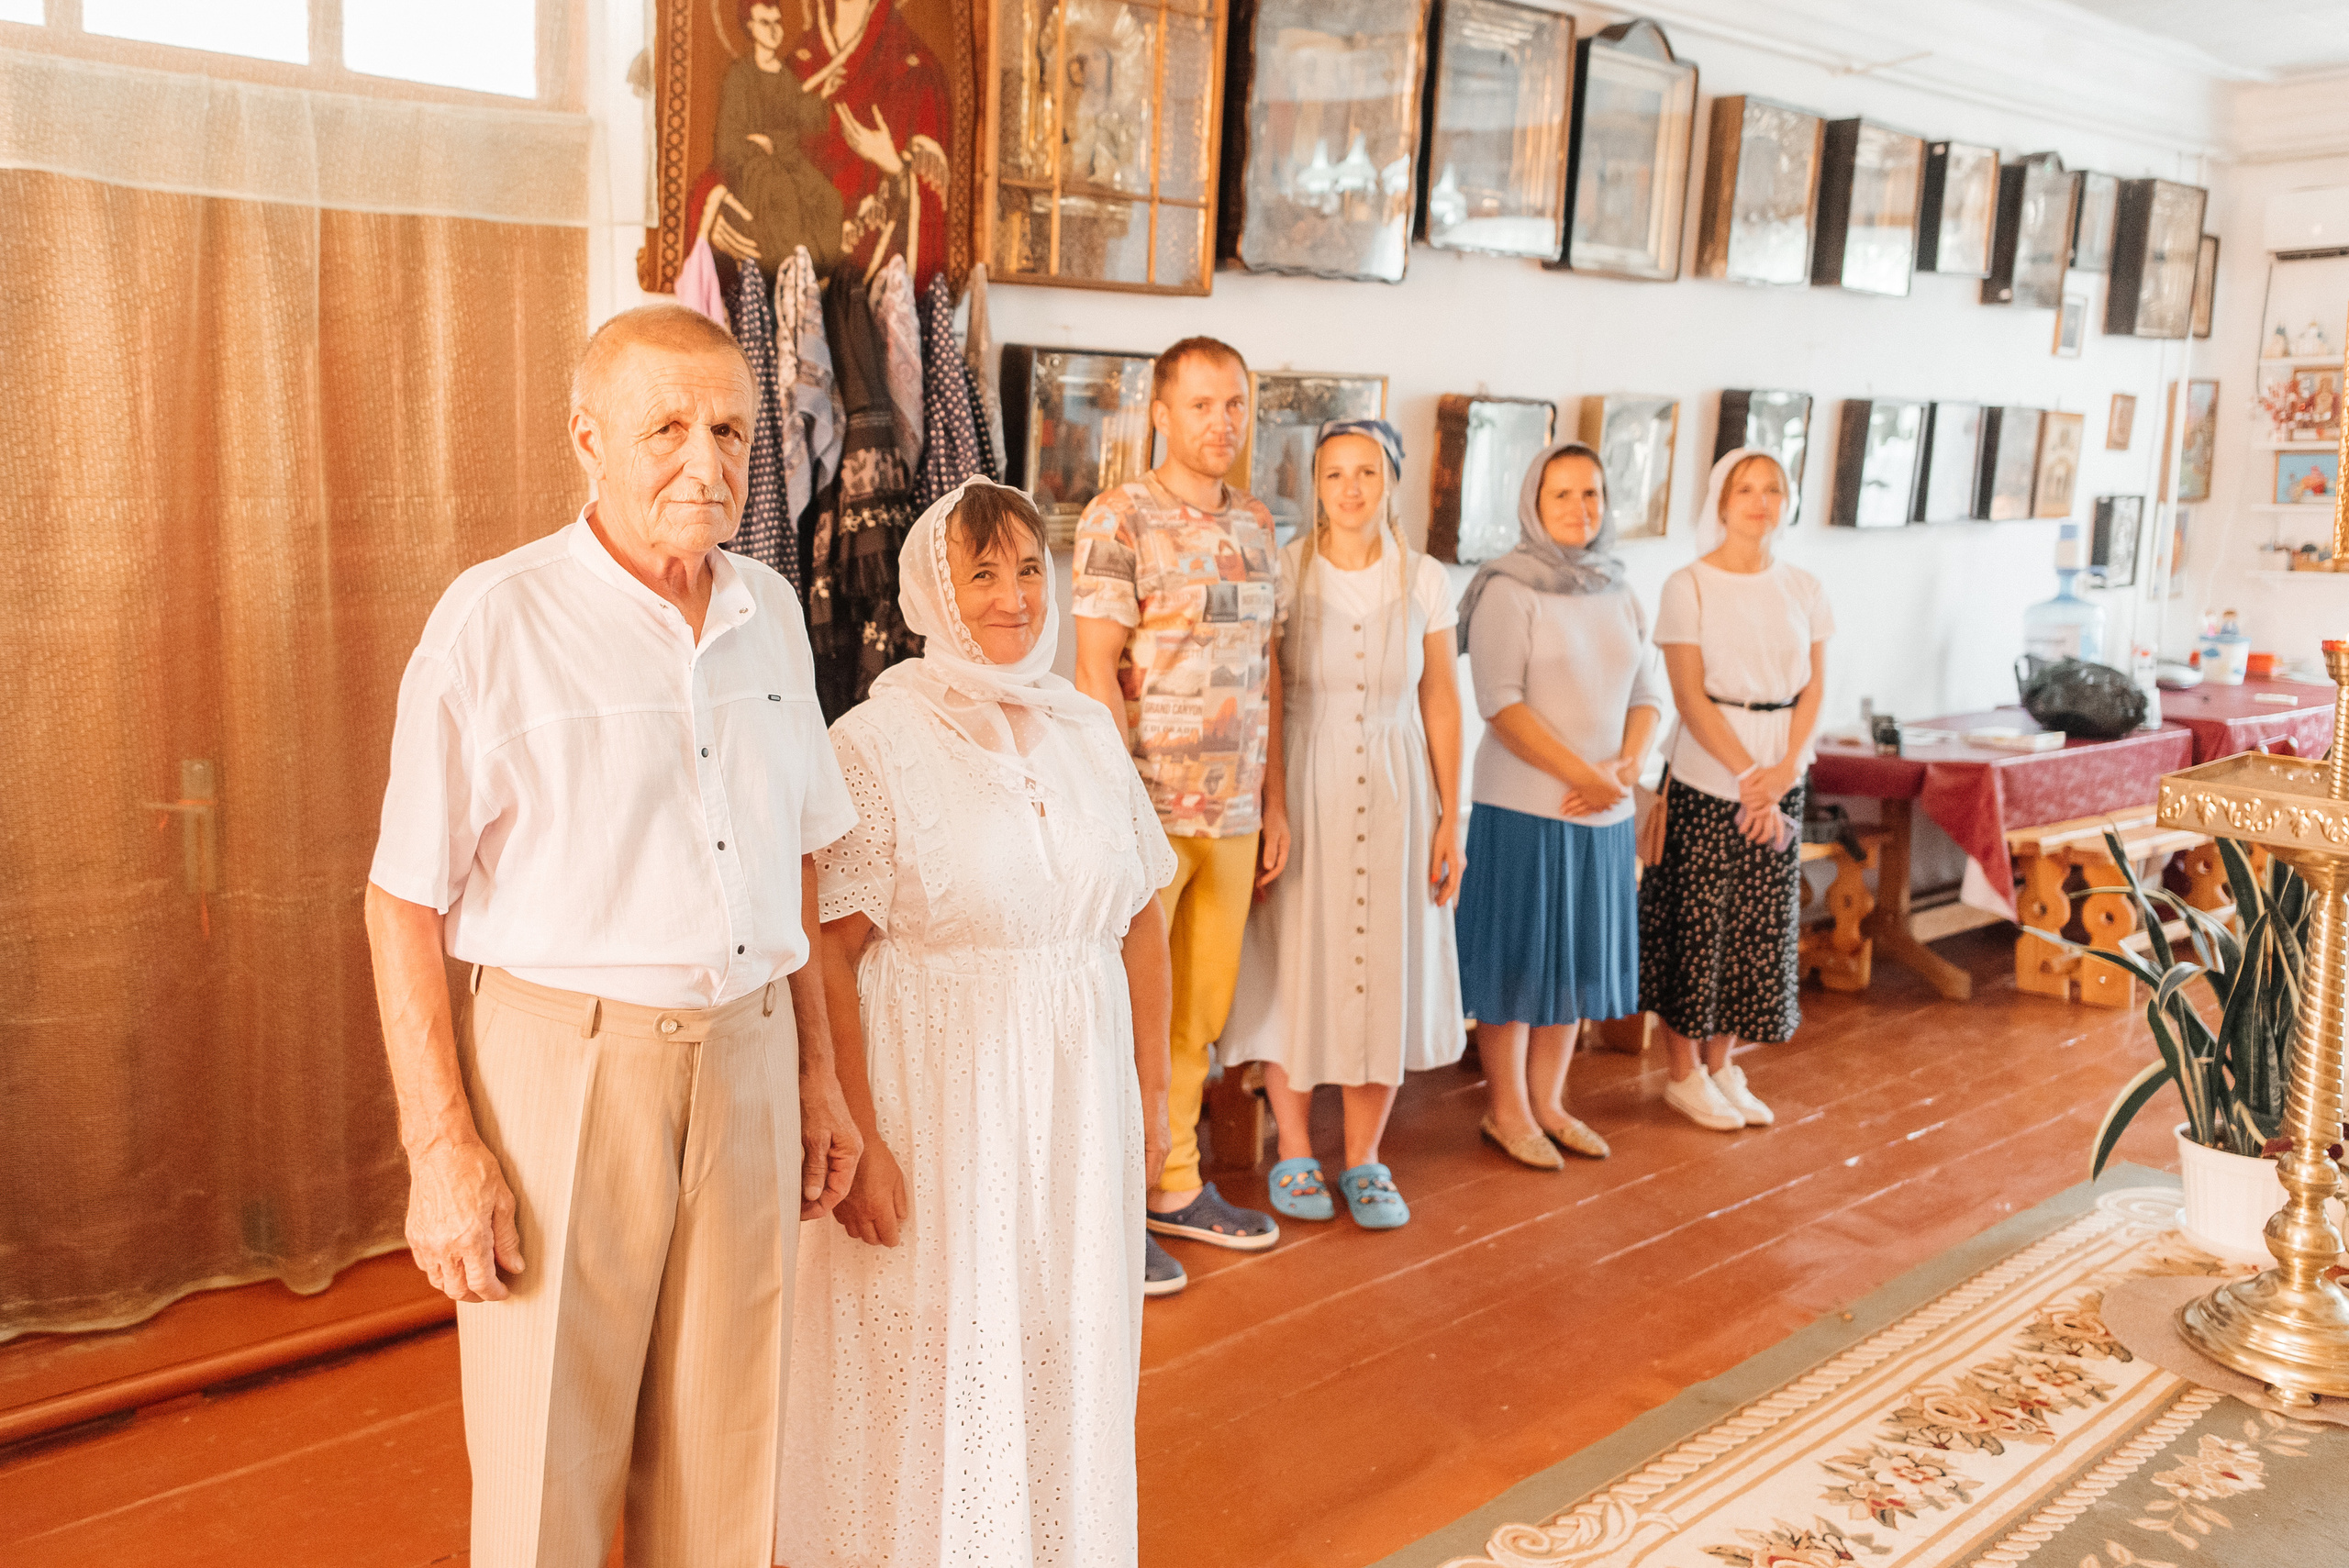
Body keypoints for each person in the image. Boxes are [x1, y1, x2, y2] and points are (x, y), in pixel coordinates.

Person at [363, 305, 863, 1567]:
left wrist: (819, 1074)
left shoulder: (771, 614)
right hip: (562, 1073)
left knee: (731, 1458)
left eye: (732, 429)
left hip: (748, 1063)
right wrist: (442, 1145)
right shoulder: (494, 621)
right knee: (550, 1472)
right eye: (668, 429)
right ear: (588, 438)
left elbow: (796, 859)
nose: (706, 460)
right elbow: (402, 899)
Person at [776, 478, 1174, 1567]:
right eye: (982, 573)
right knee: (933, 1348)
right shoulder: (874, 742)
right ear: (930, 593)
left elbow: (1142, 920)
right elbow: (832, 950)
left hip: (1073, 1099)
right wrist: (859, 1137)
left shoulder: (1087, 729)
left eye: (1030, 568)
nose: (1014, 598)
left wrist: (1154, 1096)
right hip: (937, 1098)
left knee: (1059, 1336)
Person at [1072, 336, 1290, 1296]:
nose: (1221, 423)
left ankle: (1178, 1187)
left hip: (1235, 811)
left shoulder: (1257, 524)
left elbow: (1267, 670)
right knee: (1130, 1015)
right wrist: (1119, 811)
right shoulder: (1119, 517)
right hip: (1149, 811)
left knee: (1198, 1014)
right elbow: (1091, 671)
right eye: (1202, 404)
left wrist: (1274, 799)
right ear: (1159, 412)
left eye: (1235, 404)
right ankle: (1115, 1210)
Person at [1225, 419, 1464, 1229]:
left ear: (1391, 481)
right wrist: (1274, 803)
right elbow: (1271, 691)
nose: (1352, 489)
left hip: (1401, 785)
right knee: (1299, 958)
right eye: (1335, 475)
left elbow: (1440, 700)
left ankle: (1364, 1157)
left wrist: (1450, 817)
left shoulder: (1425, 578)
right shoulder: (1288, 572)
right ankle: (1294, 1146)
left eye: (1367, 472)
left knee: (1385, 960)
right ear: (1316, 485)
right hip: (1308, 772)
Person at [1452, 441, 1663, 1171]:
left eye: (1592, 494)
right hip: (1524, 809)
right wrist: (1589, 774)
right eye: (1563, 495)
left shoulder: (1621, 588)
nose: (1580, 509)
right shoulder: (1508, 588)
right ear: (1533, 505)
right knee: (1516, 965)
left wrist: (1627, 767)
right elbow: (1498, 704)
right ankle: (1505, 1109)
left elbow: (1648, 694)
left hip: (1603, 811)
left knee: (1572, 962)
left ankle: (1550, 1102)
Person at [1641, 447, 1832, 1132]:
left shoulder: (1803, 586)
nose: (1759, 500)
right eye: (1744, 489)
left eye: (1772, 489)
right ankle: (1683, 1072)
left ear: (1787, 501)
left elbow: (1814, 687)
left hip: (1782, 769)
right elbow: (1689, 696)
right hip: (1707, 771)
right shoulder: (1687, 584)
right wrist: (1748, 780)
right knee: (1696, 922)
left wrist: (1784, 772)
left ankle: (1724, 1063)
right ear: (1720, 503)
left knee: (1755, 927)